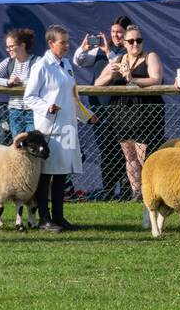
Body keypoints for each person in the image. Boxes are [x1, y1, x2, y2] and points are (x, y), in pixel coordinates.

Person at [24, 25, 95, 232]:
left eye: (67, 41)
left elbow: (72, 96)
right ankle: (45, 219)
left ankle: (59, 216)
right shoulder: (42, 66)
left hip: (68, 127)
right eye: (62, 42)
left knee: (62, 173)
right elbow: (29, 97)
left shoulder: (66, 64)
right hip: (50, 129)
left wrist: (86, 116)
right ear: (51, 43)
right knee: (46, 174)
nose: (66, 45)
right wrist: (47, 107)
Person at [95, 24, 164, 201]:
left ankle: (150, 192)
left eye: (139, 40)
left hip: (145, 112)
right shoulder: (118, 60)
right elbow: (97, 84)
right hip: (121, 114)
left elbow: (156, 79)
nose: (135, 44)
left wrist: (132, 79)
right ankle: (137, 192)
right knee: (130, 156)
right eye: (131, 41)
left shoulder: (150, 56)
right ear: (124, 43)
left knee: (144, 156)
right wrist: (110, 74)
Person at [74, 15, 131, 200]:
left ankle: (125, 189)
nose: (115, 36)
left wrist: (108, 53)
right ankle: (108, 188)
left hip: (118, 108)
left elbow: (120, 68)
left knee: (121, 150)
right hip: (99, 108)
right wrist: (84, 48)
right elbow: (79, 61)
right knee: (104, 149)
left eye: (119, 32)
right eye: (113, 31)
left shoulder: (129, 50)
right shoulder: (98, 51)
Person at [0, 28, 37, 142]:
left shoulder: (37, 62)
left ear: (22, 45)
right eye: (7, 47)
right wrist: (8, 82)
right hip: (15, 112)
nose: (8, 50)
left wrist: (22, 82)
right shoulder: (8, 62)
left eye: (11, 46)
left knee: (32, 145)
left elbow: (41, 81)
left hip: (32, 112)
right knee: (18, 147)